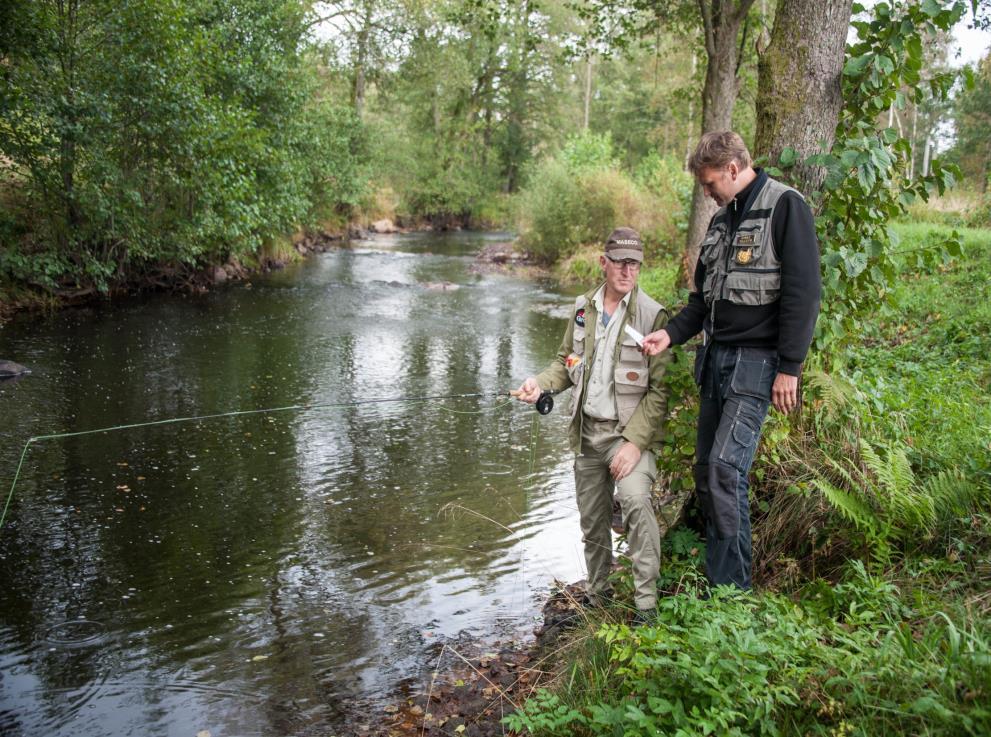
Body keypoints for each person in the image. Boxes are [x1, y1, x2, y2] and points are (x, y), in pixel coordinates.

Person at [641, 131, 821, 590]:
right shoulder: (720, 221)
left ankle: (732, 592)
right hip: (715, 360)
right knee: (707, 471)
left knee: (725, 469)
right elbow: (702, 303)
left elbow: (803, 294)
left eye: (709, 183)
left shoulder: (785, 207)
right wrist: (670, 333)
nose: (707, 192)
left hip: (756, 365)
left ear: (734, 169)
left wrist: (790, 368)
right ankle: (720, 578)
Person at [514, 227, 671, 621]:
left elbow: (660, 393)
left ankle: (645, 606)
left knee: (635, 503)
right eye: (619, 262)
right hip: (587, 434)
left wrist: (634, 443)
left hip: (628, 438)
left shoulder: (654, 315)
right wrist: (539, 383)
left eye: (634, 263)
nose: (627, 271)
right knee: (592, 519)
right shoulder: (584, 308)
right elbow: (565, 363)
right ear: (604, 262)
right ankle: (598, 594)